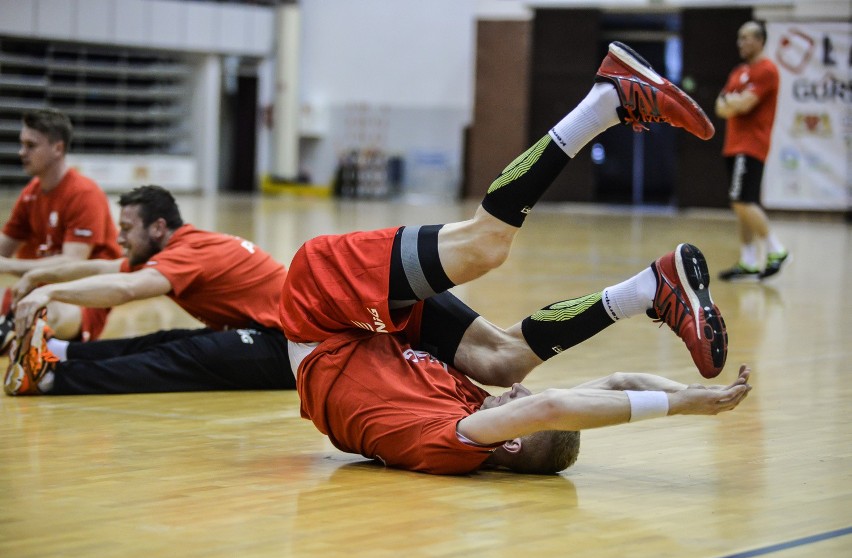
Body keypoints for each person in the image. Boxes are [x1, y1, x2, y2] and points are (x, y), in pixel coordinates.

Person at [274, 42, 746, 475]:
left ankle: (608, 105)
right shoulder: (482, 415)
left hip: (319, 309)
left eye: (524, 406)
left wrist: (678, 409)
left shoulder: (450, 443)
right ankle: (647, 289)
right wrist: (690, 395)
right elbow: (617, 382)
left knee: (487, 260)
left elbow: (554, 409)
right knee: (502, 352)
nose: (523, 395)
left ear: (514, 443)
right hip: (361, 329)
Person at [4, 185, 294, 395]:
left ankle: (51, 378)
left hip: (288, 351)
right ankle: (62, 351)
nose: (120, 238)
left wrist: (49, 293)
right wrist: (37, 275)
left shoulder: (189, 253)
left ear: (157, 228)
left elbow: (128, 288)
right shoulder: (180, 246)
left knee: (181, 354)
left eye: (127, 229)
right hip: (264, 335)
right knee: (163, 339)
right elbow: (103, 268)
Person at [0, 108, 122, 351]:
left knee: (47, 311)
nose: (21, 152)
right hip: (32, 291)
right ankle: (12, 327)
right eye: (21, 144)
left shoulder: (84, 193)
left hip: (80, 298)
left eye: (30, 145)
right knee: (29, 304)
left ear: (57, 148)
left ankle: (13, 328)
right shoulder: (31, 193)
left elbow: (72, 263)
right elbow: (3, 246)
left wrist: (10, 265)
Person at [715, 21, 789, 280]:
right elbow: (720, 106)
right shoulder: (738, 71)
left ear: (760, 41)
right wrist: (732, 102)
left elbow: (744, 105)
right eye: (739, 37)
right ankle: (748, 261)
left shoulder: (767, 70)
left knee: (743, 201)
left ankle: (776, 249)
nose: (740, 43)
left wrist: (734, 102)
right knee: (740, 204)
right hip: (733, 145)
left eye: (746, 37)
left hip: (751, 145)